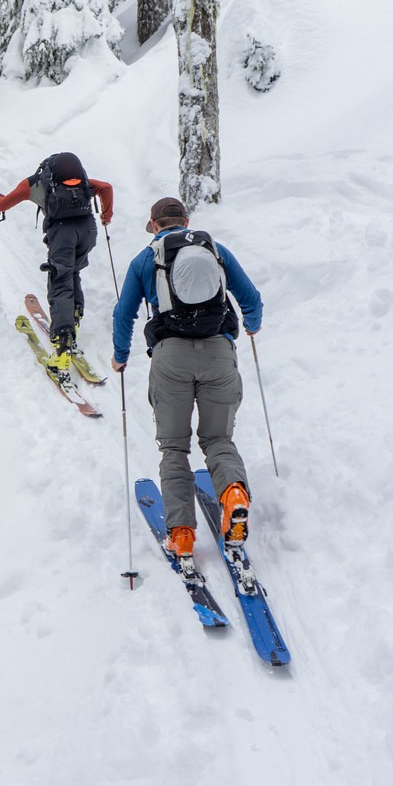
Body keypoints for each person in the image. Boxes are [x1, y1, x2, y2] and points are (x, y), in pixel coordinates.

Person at [110, 197, 263, 560]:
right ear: (187, 220)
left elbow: (124, 314)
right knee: (218, 439)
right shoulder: (215, 249)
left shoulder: (145, 259)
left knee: (174, 448)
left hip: (170, 359)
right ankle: (234, 495)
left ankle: (181, 534)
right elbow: (250, 298)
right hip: (219, 354)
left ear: (154, 225)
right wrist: (253, 327)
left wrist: (120, 357)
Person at [0, 152, 114, 373]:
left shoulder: (36, 182)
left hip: (62, 234)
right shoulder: (84, 183)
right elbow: (106, 187)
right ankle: (74, 316)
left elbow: (3, 205)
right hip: (88, 230)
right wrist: (106, 215)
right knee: (73, 272)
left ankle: (62, 347)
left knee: (59, 280)